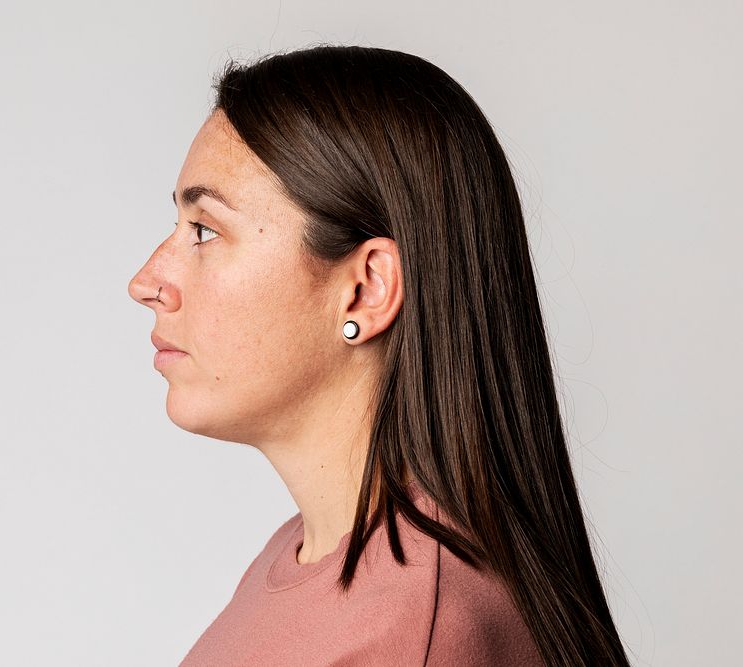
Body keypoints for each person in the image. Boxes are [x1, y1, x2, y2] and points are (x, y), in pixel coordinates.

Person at [128, 45, 630, 666]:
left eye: (205, 231)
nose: (147, 281)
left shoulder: (411, 633)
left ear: (365, 290)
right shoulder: (309, 558)